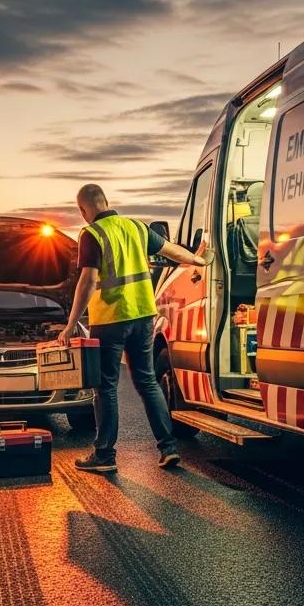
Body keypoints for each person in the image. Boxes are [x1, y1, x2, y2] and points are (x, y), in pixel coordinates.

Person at [58, 183, 209, 473]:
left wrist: (70, 323)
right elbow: (172, 251)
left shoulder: (91, 234)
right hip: (143, 317)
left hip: (111, 320)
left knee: (106, 388)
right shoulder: (136, 227)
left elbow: (88, 280)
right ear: (105, 201)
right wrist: (198, 259)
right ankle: (168, 448)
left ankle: (104, 455)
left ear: (83, 209)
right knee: (148, 382)